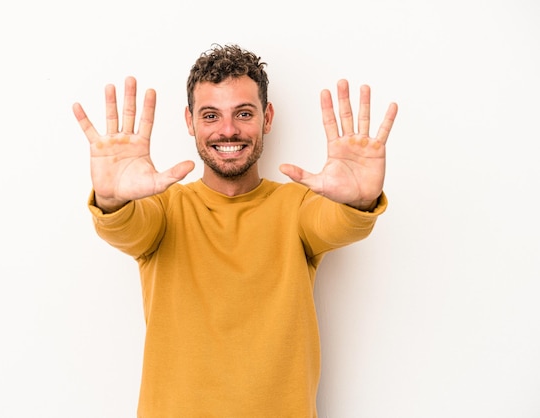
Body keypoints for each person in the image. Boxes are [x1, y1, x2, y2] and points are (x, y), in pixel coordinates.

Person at [72, 44, 398, 417]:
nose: (228, 130)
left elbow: (338, 224)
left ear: (267, 118)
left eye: (244, 113)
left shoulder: (297, 208)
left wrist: (358, 200)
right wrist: (113, 200)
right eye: (210, 115)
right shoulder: (164, 210)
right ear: (190, 121)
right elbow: (126, 228)